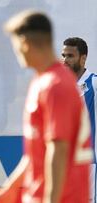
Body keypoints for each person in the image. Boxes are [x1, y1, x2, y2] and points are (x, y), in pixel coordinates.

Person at [0, 10, 92, 203]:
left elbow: (58, 150)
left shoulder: (55, 85)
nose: (15, 52)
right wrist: (10, 188)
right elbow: (38, 151)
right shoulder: (43, 82)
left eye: (15, 44)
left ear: (26, 43)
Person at [61, 37, 97, 203]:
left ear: (83, 58)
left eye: (70, 56)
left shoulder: (94, 83)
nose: (65, 60)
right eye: (63, 55)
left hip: (91, 165)